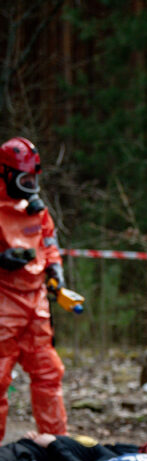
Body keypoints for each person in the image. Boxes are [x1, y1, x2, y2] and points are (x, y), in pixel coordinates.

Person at [0, 137, 68, 441]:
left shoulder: (37, 211)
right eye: (24, 179)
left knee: (49, 374)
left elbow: (49, 244)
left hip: (37, 305)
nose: (30, 185)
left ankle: (57, 447)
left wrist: (56, 272)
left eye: (33, 179)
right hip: (4, 304)